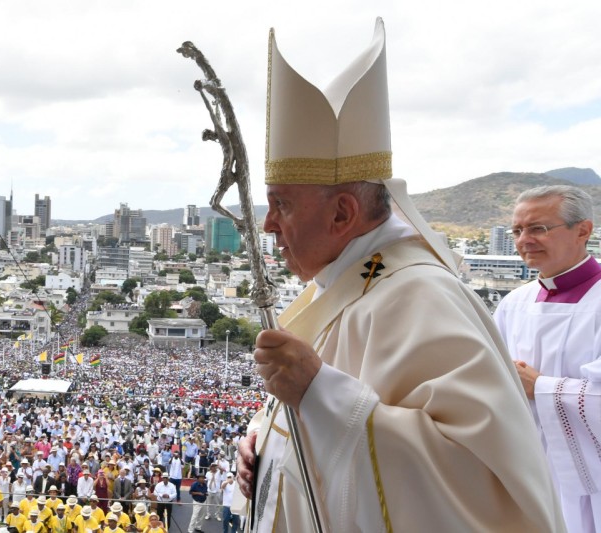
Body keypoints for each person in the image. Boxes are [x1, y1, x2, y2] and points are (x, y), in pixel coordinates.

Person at [234, 18, 564, 532]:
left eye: (282, 205)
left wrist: (318, 394)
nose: (269, 225)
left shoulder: (418, 295)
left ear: (343, 214)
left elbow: (475, 484)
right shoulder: (343, 287)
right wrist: (263, 440)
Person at [494, 185, 601, 532]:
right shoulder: (514, 304)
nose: (525, 240)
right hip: (527, 471)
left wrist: (541, 387)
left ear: (583, 230)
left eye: (538, 228)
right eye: (517, 231)